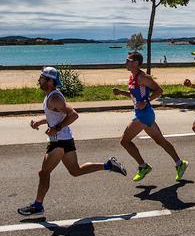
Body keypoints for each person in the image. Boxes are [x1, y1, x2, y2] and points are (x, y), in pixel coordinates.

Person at [18, 67, 127, 216]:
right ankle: (108, 165)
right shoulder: (50, 96)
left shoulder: (55, 98)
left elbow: (73, 115)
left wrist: (56, 128)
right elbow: (57, 115)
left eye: (42, 77)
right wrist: (40, 121)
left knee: (44, 173)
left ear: (50, 81)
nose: (39, 79)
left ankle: (37, 206)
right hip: (65, 140)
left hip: (59, 142)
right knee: (76, 171)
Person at [113, 52, 188, 182]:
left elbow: (159, 90)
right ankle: (179, 163)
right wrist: (121, 92)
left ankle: (143, 166)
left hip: (144, 115)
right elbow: (136, 96)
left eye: (128, 60)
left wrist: (146, 101)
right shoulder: (132, 76)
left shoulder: (143, 77)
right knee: (161, 141)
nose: (125, 62)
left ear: (136, 63)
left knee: (124, 141)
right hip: (143, 113)